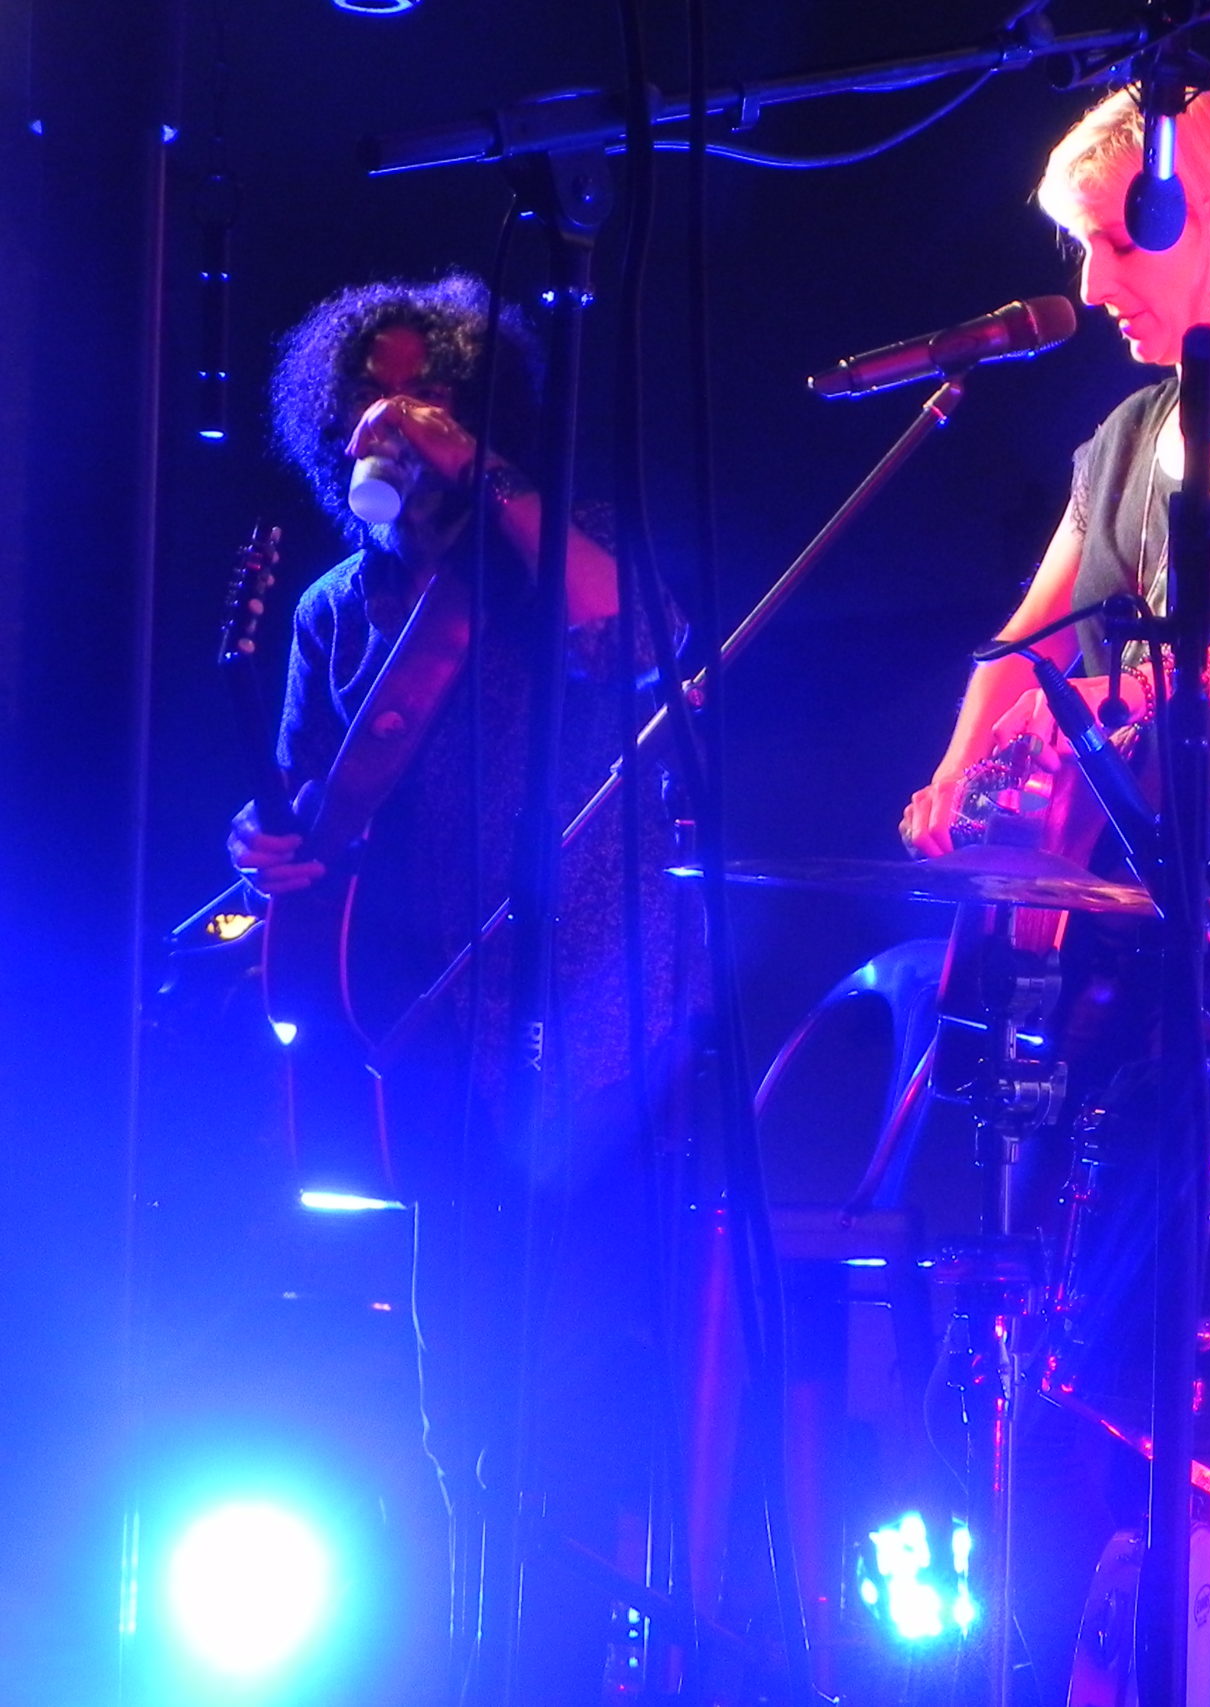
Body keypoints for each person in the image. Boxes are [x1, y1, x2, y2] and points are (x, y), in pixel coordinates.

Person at [228, 275, 690, 1706]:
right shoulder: (331, 605)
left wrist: (474, 467)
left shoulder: (555, 550)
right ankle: (460, 1649)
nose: (394, 417)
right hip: (427, 1006)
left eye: (423, 391)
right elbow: (304, 802)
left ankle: (573, 1656)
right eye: (370, 396)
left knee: (581, 1353)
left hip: (591, 995)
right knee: (458, 1360)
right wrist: (257, 842)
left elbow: (643, 632)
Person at [900, 77, 1210, 1094]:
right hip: (1136, 930)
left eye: (1118, 244)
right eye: (1084, 248)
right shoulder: (1121, 438)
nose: (1091, 286)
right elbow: (1027, 639)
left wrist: (1137, 687)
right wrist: (952, 774)